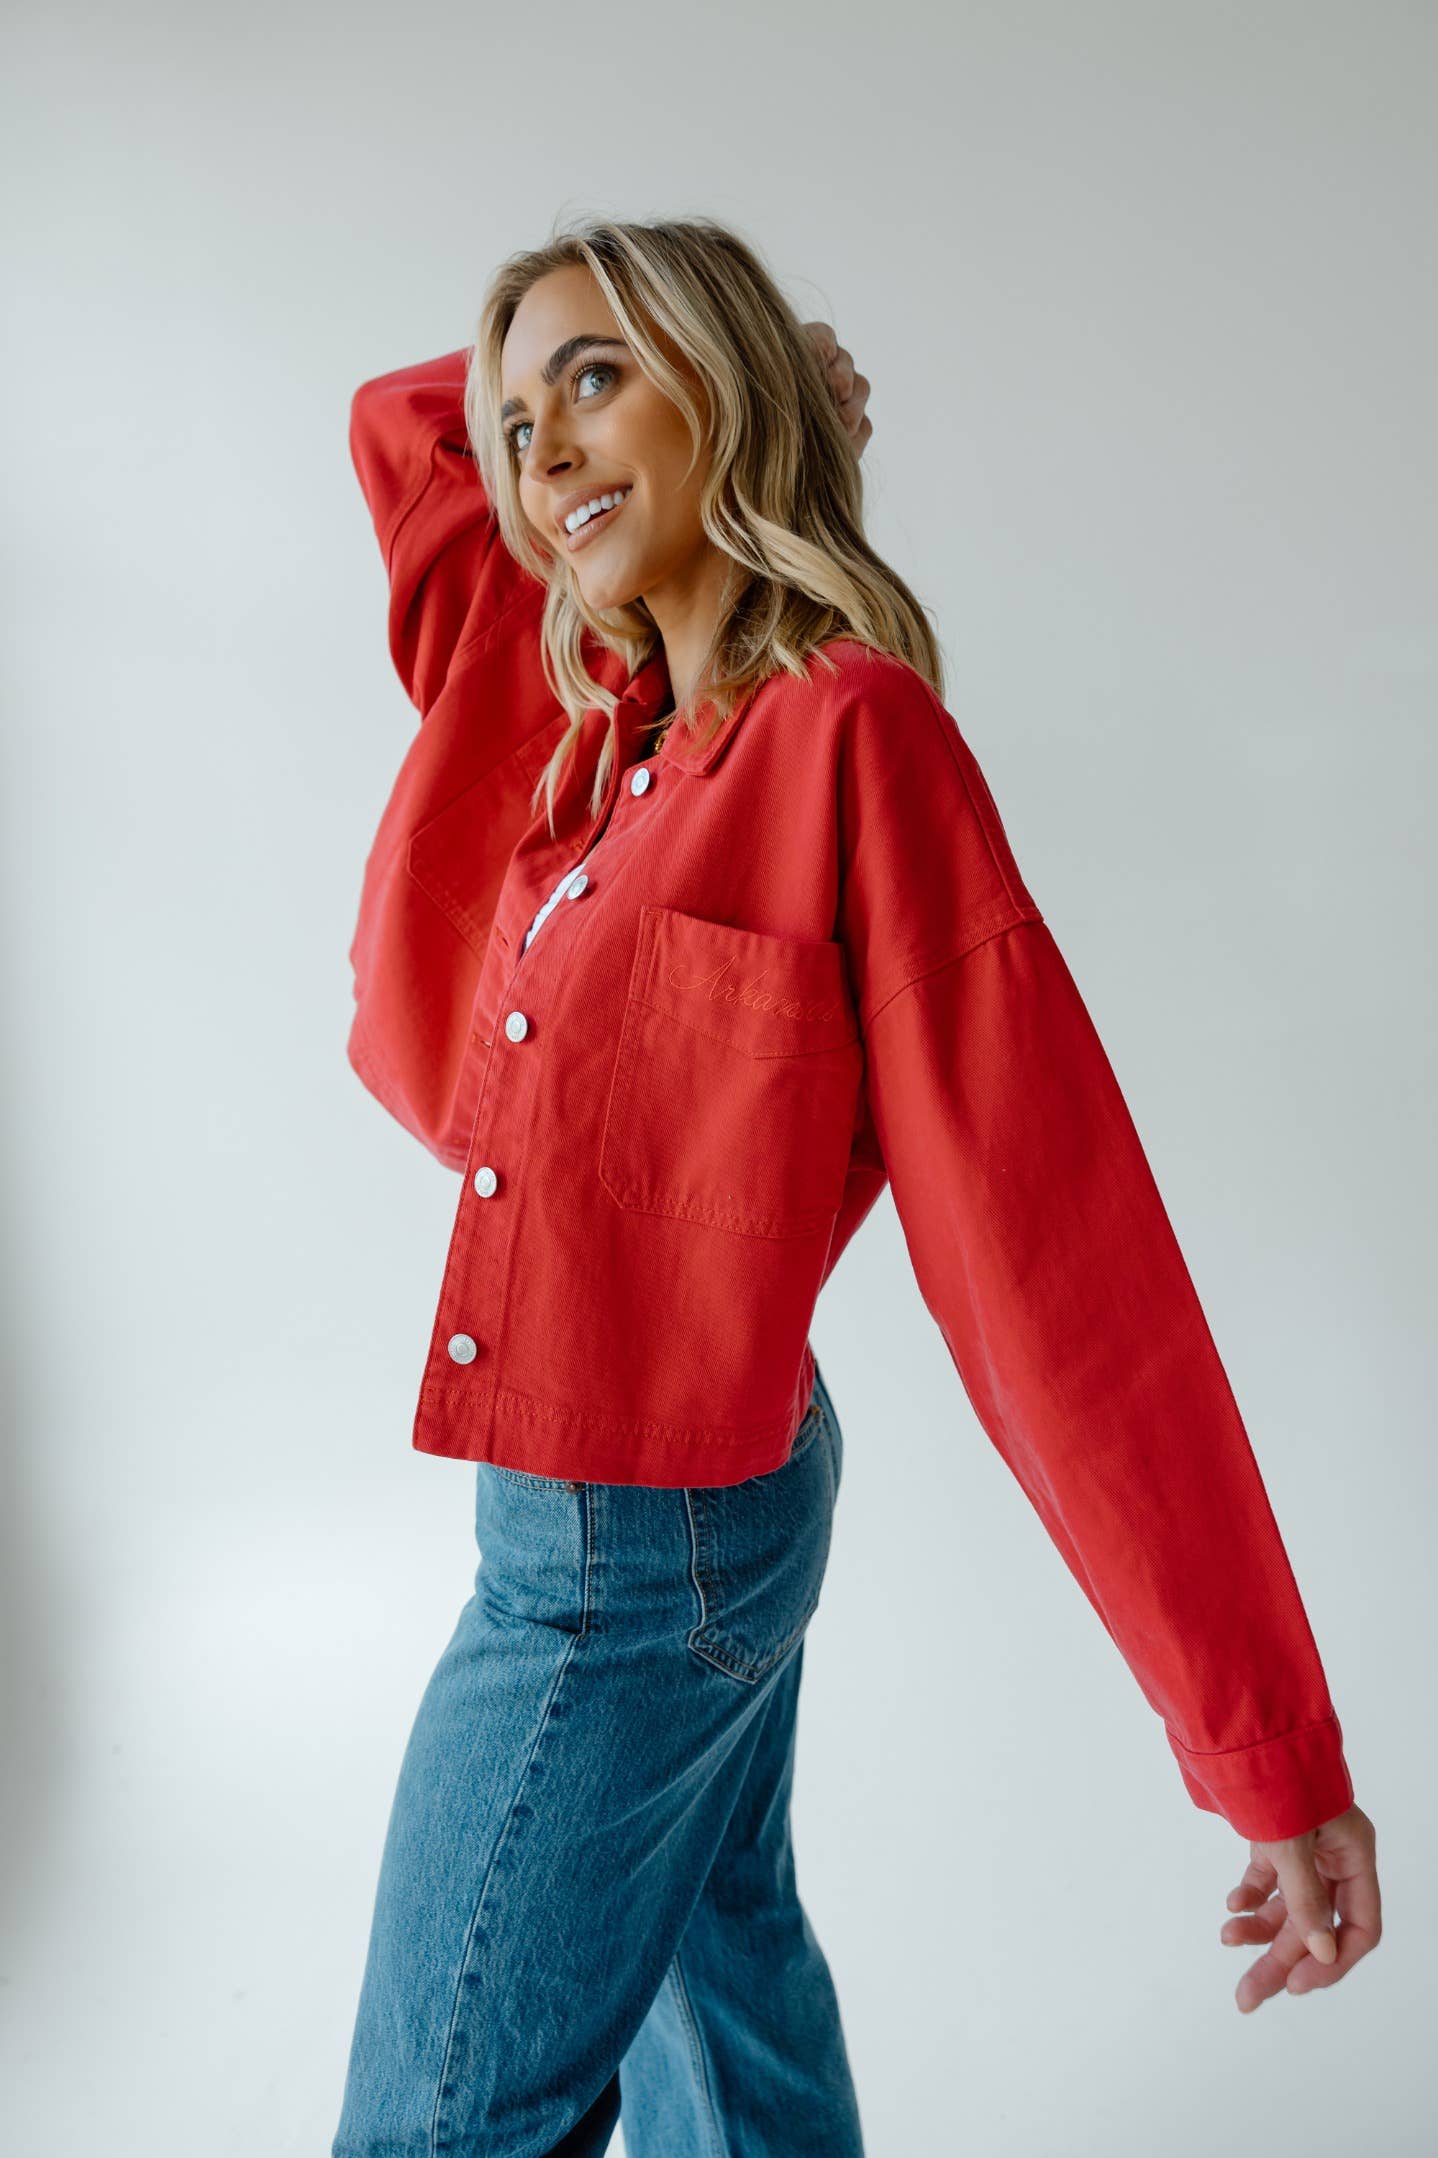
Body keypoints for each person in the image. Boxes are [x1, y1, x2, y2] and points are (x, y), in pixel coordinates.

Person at [331, 216, 1380, 2157]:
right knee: (730, 2055)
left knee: (440, 2120)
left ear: (717, 385)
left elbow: (1055, 1260)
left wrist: (1263, 1746)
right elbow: (404, 430)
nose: (539, 453)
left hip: (629, 1571)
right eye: (522, 421)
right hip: (668, 1502)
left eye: (596, 378)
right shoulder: (593, 732)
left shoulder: (847, 737)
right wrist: (636, 389)